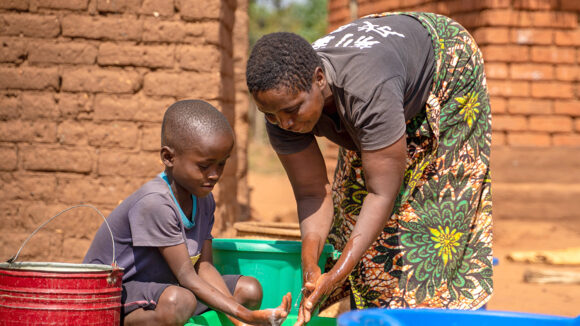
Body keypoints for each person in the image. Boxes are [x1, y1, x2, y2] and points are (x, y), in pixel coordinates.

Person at [246, 11, 493, 325]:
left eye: (292, 111)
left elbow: (381, 194)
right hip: (384, 71)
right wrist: (312, 264)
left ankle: (432, 315)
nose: (284, 123)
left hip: (446, 70)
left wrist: (336, 275)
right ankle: (360, 310)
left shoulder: (366, 91)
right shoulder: (281, 104)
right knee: (351, 209)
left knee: (429, 226)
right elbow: (311, 194)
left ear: (319, 79)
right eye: (270, 115)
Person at [84, 99, 291, 326]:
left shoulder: (203, 198)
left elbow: (204, 267)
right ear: (169, 157)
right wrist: (245, 315)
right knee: (179, 302)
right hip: (113, 293)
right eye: (204, 166)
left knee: (249, 290)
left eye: (221, 164)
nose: (214, 175)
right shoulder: (156, 203)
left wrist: (239, 320)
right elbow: (186, 276)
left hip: (166, 287)